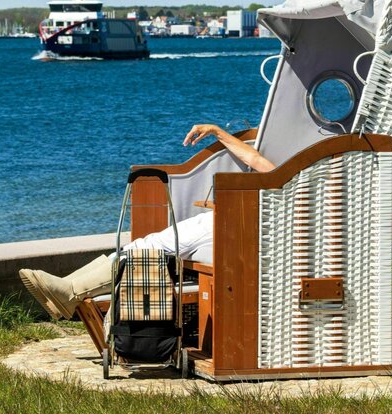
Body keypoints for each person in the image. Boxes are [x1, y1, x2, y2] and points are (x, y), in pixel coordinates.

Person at [19, 123, 276, 320]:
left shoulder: (295, 185)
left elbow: (258, 163)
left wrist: (218, 131)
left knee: (153, 248)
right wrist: (218, 131)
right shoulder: (295, 181)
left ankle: (70, 292)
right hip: (232, 218)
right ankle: (67, 288)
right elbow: (256, 161)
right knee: (149, 243)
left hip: (238, 224)